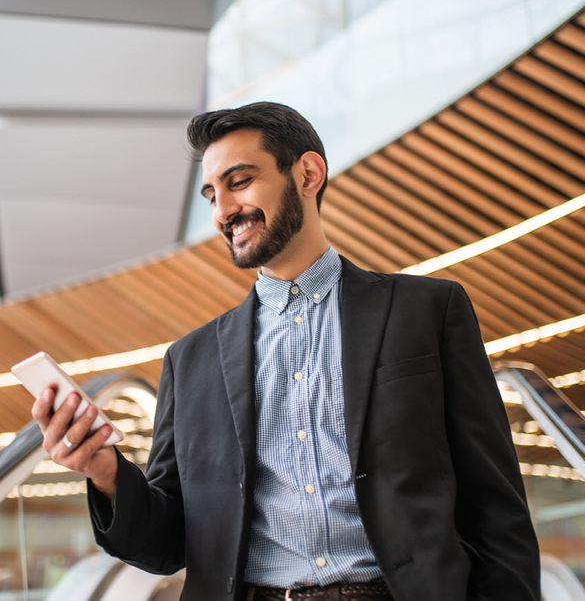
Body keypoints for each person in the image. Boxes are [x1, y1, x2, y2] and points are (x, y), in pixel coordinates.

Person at [32, 102, 540, 600]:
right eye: (212, 194)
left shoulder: (427, 311)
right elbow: (168, 546)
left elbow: (497, 507)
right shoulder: (191, 361)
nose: (223, 212)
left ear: (308, 173)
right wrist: (106, 474)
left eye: (240, 181)